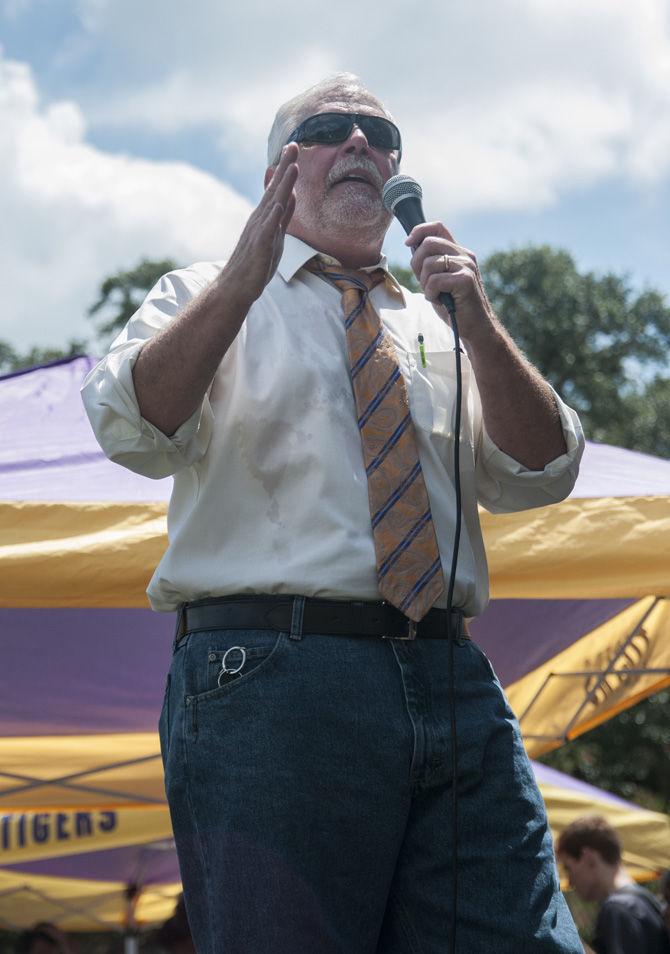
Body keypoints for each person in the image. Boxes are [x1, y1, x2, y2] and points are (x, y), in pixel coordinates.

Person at [82, 72, 585, 953]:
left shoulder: (439, 317)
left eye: (378, 134)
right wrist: (242, 279)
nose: (360, 142)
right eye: (331, 126)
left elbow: (544, 469)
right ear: (284, 165)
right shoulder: (204, 291)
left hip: (452, 676)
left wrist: (479, 318)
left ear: (397, 172)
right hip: (273, 676)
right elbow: (132, 429)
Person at [556, 815, 670, 954]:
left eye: (568, 868)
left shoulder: (617, 909)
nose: (570, 881)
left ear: (588, 857)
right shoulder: (649, 903)